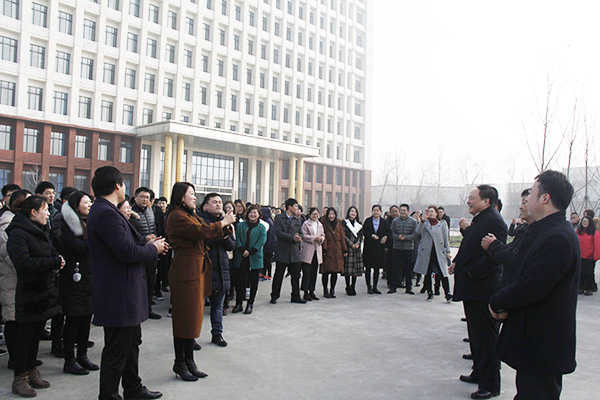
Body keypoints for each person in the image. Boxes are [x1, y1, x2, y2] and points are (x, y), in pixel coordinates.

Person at [489, 170, 580, 400]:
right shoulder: (542, 230)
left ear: (545, 199)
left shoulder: (557, 237)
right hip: (533, 341)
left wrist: (497, 301)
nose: (526, 199)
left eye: (531, 192)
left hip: (544, 344)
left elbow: (532, 285)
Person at [87, 166, 166, 400]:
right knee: (117, 349)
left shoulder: (106, 211)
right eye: (123, 184)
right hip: (118, 293)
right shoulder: (106, 213)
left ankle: (133, 388)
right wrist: (153, 249)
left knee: (131, 343)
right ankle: (109, 395)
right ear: (117, 186)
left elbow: (128, 244)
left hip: (125, 291)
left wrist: (147, 243)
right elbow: (127, 252)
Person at [166, 182, 234, 382]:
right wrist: (223, 223)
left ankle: (189, 361)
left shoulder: (189, 214)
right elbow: (201, 232)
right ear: (181, 197)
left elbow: (205, 229)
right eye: (192, 194)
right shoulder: (177, 216)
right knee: (184, 320)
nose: (195, 198)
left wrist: (224, 227)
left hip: (195, 270)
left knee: (193, 317)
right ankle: (180, 362)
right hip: (185, 271)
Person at [449, 185, 507, 400]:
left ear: (487, 201)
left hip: (483, 289)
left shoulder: (494, 220)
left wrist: (472, 273)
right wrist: (458, 263)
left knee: (486, 339)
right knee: (476, 336)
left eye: (472, 198)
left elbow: (494, 255)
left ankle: (490, 384)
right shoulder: (481, 219)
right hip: (473, 289)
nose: (468, 202)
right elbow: (471, 245)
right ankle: (479, 373)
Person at [7, 195, 65, 398]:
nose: (48, 213)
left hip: (45, 290)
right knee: (24, 337)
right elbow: (23, 263)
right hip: (30, 292)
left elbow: (49, 253)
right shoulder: (18, 233)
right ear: (33, 212)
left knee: (35, 336)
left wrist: (57, 261)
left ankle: (32, 370)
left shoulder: (40, 231)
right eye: (45, 209)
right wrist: (53, 262)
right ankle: (19, 377)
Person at [59, 191, 99, 375]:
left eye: (91, 202)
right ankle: (70, 360)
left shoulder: (87, 223)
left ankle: (82, 355)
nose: (90, 204)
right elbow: (82, 248)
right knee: (73, 320)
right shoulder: (68, 227)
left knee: (85, 319)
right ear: (76, 205)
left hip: (90, 277)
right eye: (86, 202)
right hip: (74, 279)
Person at [198, 192, 235, 346]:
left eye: (220, 202)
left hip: (221, 268)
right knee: (198, 307)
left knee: (217, 306)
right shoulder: (200, 222)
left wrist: (225, 234)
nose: (219, 204)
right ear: (206, 206)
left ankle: (217, 334)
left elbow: (232, 245)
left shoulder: (223, 221)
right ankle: (192, 337)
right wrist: (222, 231)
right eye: (215, 202)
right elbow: (205, 243)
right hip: (204, 269)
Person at [0, 189, 31, 370]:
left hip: (22, 278)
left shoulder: (23, 223)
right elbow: (11, 256)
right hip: (12, 278)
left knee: (20, 320)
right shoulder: (6, 224)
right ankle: (16, 360)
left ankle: (22, 359)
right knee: (12, 319)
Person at [482, 189, 532, 286]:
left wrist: (494, 245)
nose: (521, 207)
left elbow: (518, 257)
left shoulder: (544, 233)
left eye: (525, 203)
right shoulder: (527, 228)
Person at [130, 187, 161, 320]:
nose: (145, 200)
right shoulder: (131, 212)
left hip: (152, 251)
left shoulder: (151, 211)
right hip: (139, 251)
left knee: (150, 281)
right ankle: (137, 310)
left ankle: (148, 309)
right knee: (138, 284)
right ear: (135, 197)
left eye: (147, 198)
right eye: (142, 197)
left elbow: (155, 228)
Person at [270, 198, 306, 304]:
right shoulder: (279, 218)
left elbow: (301, 233)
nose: (297, 208)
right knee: (279, 275)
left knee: (295, 275)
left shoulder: (297, 219)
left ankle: (295, 295)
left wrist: (299, 237)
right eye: (295, 206)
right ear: (289, 207)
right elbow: (278, 232)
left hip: (294, 251)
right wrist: (292, 238)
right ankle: (274, 295)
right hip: (282, 250)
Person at [232, 204, 267, 314]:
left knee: (254, 282)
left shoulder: (261, 227)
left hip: (254, 257)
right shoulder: (241, 225)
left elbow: (262, 241)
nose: (252, 215)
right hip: (241, 257)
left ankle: (250, 304)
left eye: (255, 213)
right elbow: (237, 238)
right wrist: (242, 250)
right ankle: (238, 304)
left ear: (259, 215)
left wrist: (251, 251)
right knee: (240, 282)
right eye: (251, 212)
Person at [413, 206, 452, 302]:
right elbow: (417, 233)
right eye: (428, 211)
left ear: (436, 213)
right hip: (427, 251)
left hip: (439, 251)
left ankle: (448, 294)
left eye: (432, 211)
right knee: (428, 272)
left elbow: (446, 239)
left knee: (443, 272)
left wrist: (448, 251)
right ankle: (430, 293)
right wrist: (422, 220)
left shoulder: (442, 224)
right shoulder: (424, 223)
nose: (430, 213)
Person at [389, 204, 417, 294]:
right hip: (396, 248)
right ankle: (393, 287)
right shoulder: (395, 221)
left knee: (408, 269)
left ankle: (409, 288)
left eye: (404, 210)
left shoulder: (413, 222)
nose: (402, 212)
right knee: (395, 268)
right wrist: (398, 237)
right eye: (401, 210)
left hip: (408, 248)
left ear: (408, 211)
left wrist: (406, 237)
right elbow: (391, 233)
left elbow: (415, 234)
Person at [362, 205, 390, 294]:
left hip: (379, 249)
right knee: (368, 268)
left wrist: (385, 237)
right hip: (369, 248)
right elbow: (364, 231)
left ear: (380, 212)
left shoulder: (384, 222)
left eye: (377, 210)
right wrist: (371, 235)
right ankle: (368, 286)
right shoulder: (368, 221)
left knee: (377, 268)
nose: (376, 212)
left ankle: (375, 286)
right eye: (374, 210)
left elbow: (388, 231)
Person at [299, 207, 325, 301]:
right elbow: (304, 235)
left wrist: (321, 239)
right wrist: (314, 238)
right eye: (313, 214)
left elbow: (323, 235)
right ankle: (305, 292)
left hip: (317, 250)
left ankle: (312, 291)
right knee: (307, 272)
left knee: (314, 272)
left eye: (317, 214)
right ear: (309, 215)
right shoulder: (306, 224)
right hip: (308, 250)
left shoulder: (320, 225)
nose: (315, 216)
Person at [321, 208, 347, 299]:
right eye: (329, 214)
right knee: (326, 271)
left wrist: (345, 249)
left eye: (333, 214)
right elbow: (322, 236)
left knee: (334, 271)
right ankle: (325, 290)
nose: (331, 216)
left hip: (337, 249)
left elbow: (342, 237)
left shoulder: (339, 223)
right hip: (327, 249)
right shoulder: (323, 223)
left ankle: (332, 289)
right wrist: (324, 248)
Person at [577, 215, 599, 296]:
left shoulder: (594, 232)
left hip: (589, 256)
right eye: (583, 221)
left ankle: (589, 288)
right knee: (581, 272)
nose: (584, 223)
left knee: (589, 273)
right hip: (580, 255)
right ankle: (581, 287)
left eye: (586, 221)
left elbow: (597, 244)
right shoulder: (579, 231)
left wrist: (596, 256)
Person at [343, 206, 363, 296]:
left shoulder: (359, 223)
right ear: (348, 212)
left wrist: (358, 244)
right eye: (351, 211)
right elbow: (344, 236)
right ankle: (347, 286)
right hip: (348, 248)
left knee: (355, 269)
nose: (353, 213)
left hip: (356, 249)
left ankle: (353, 286)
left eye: (355, 211)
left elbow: (360, 236)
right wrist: (351, 244)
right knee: (348, 269)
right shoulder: (344, 223)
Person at [260, 205, 276, 280]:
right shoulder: (267, 220)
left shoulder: (268, 222)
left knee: (267, 261)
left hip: (269, 245)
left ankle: (269, 275)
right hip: (269, 245)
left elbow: (269, 236)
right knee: (265, 260)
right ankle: (264, 273)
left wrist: (266, 246)